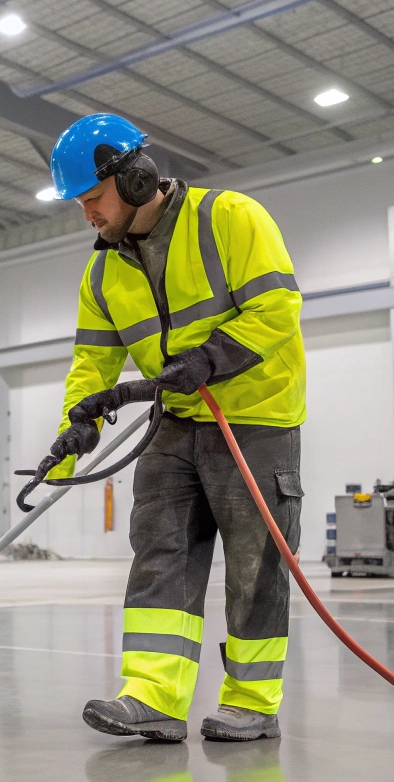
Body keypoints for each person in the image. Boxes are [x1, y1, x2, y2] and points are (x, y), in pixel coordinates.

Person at [37, 114, 305, 743]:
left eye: (93, 200)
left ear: (133, 178)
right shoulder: (104, 271)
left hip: (255, 419)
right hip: (175, 421)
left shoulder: (231, 217)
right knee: (160, 553)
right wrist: (78, 427)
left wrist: (211, 359)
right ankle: (153, 696)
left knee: (254, 564)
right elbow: (92, 363)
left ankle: (252, 701)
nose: (89, 217)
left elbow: (277, 307)